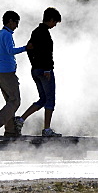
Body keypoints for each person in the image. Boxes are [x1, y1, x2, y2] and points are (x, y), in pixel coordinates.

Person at [14, 7, 62, 137]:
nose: (55, 25)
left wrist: (35, 65)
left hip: (35, 70)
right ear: (51, 19)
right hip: (45, 71)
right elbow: (47, 53)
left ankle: (21, 119)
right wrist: (46, 68)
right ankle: (47, 130)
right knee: (50, 99)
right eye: (55, 22)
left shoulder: (35, 32)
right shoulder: (44, 33)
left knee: (43, 99)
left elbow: (30, 49)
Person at [0, 11, 27, 137]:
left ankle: (10, 131)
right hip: (7, 73)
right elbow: (11, 50)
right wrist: (26, 48)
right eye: (16, 22)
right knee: (15, 102)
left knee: (10, 102)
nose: (17, 26)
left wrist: (1, 63)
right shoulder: (7, 35)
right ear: (10, 21)